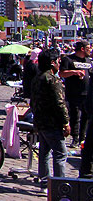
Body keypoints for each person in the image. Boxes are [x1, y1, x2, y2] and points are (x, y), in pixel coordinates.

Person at [32, 48, 70, 186]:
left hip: (40, 121)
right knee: (60, 153)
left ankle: (44, 182)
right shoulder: (52, 80)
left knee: (44, 153)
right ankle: (60, 184)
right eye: (58, 61)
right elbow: (59, 103)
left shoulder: (37, 78)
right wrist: (66, 122)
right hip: (52, 123)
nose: (59, 64)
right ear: (53, 63)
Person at [59, 40, 90, 148]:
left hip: (87, 94)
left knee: (85, 117)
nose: (90, 50)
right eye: (88, 48)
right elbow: (61, 73)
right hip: (74, 93)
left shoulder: (88, 61)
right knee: (75, 116)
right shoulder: (68, 59)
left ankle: (83, 139)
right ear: (82, 49)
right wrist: (74, 72)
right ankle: (75, 138)